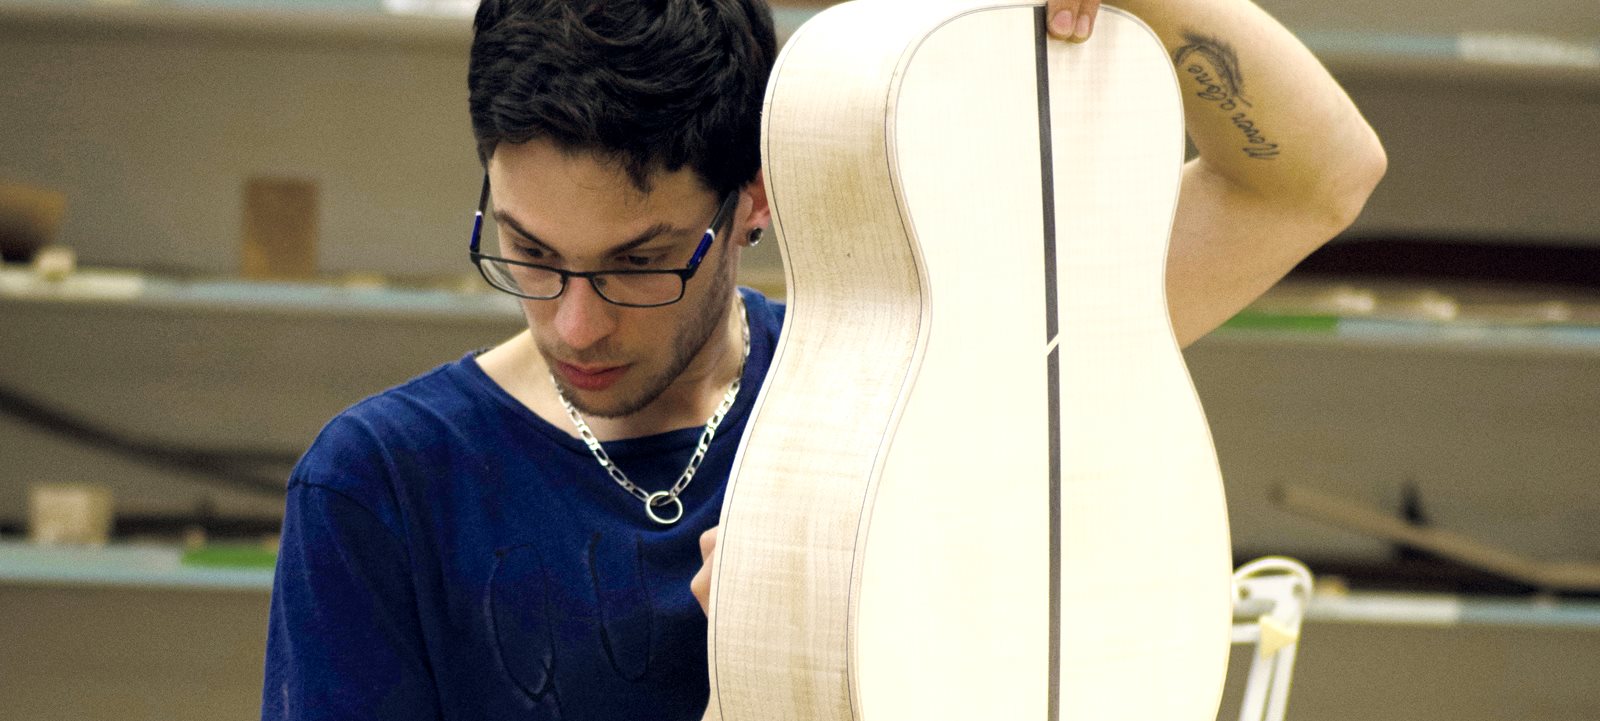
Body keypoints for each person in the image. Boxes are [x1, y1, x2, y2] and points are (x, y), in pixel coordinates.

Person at [261, 0, 1386, 719]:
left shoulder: (912, 389)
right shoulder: (383, 481)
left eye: (640, 264)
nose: (576, 323)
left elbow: (1312, 178)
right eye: (528, 253)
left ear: (755, 199)